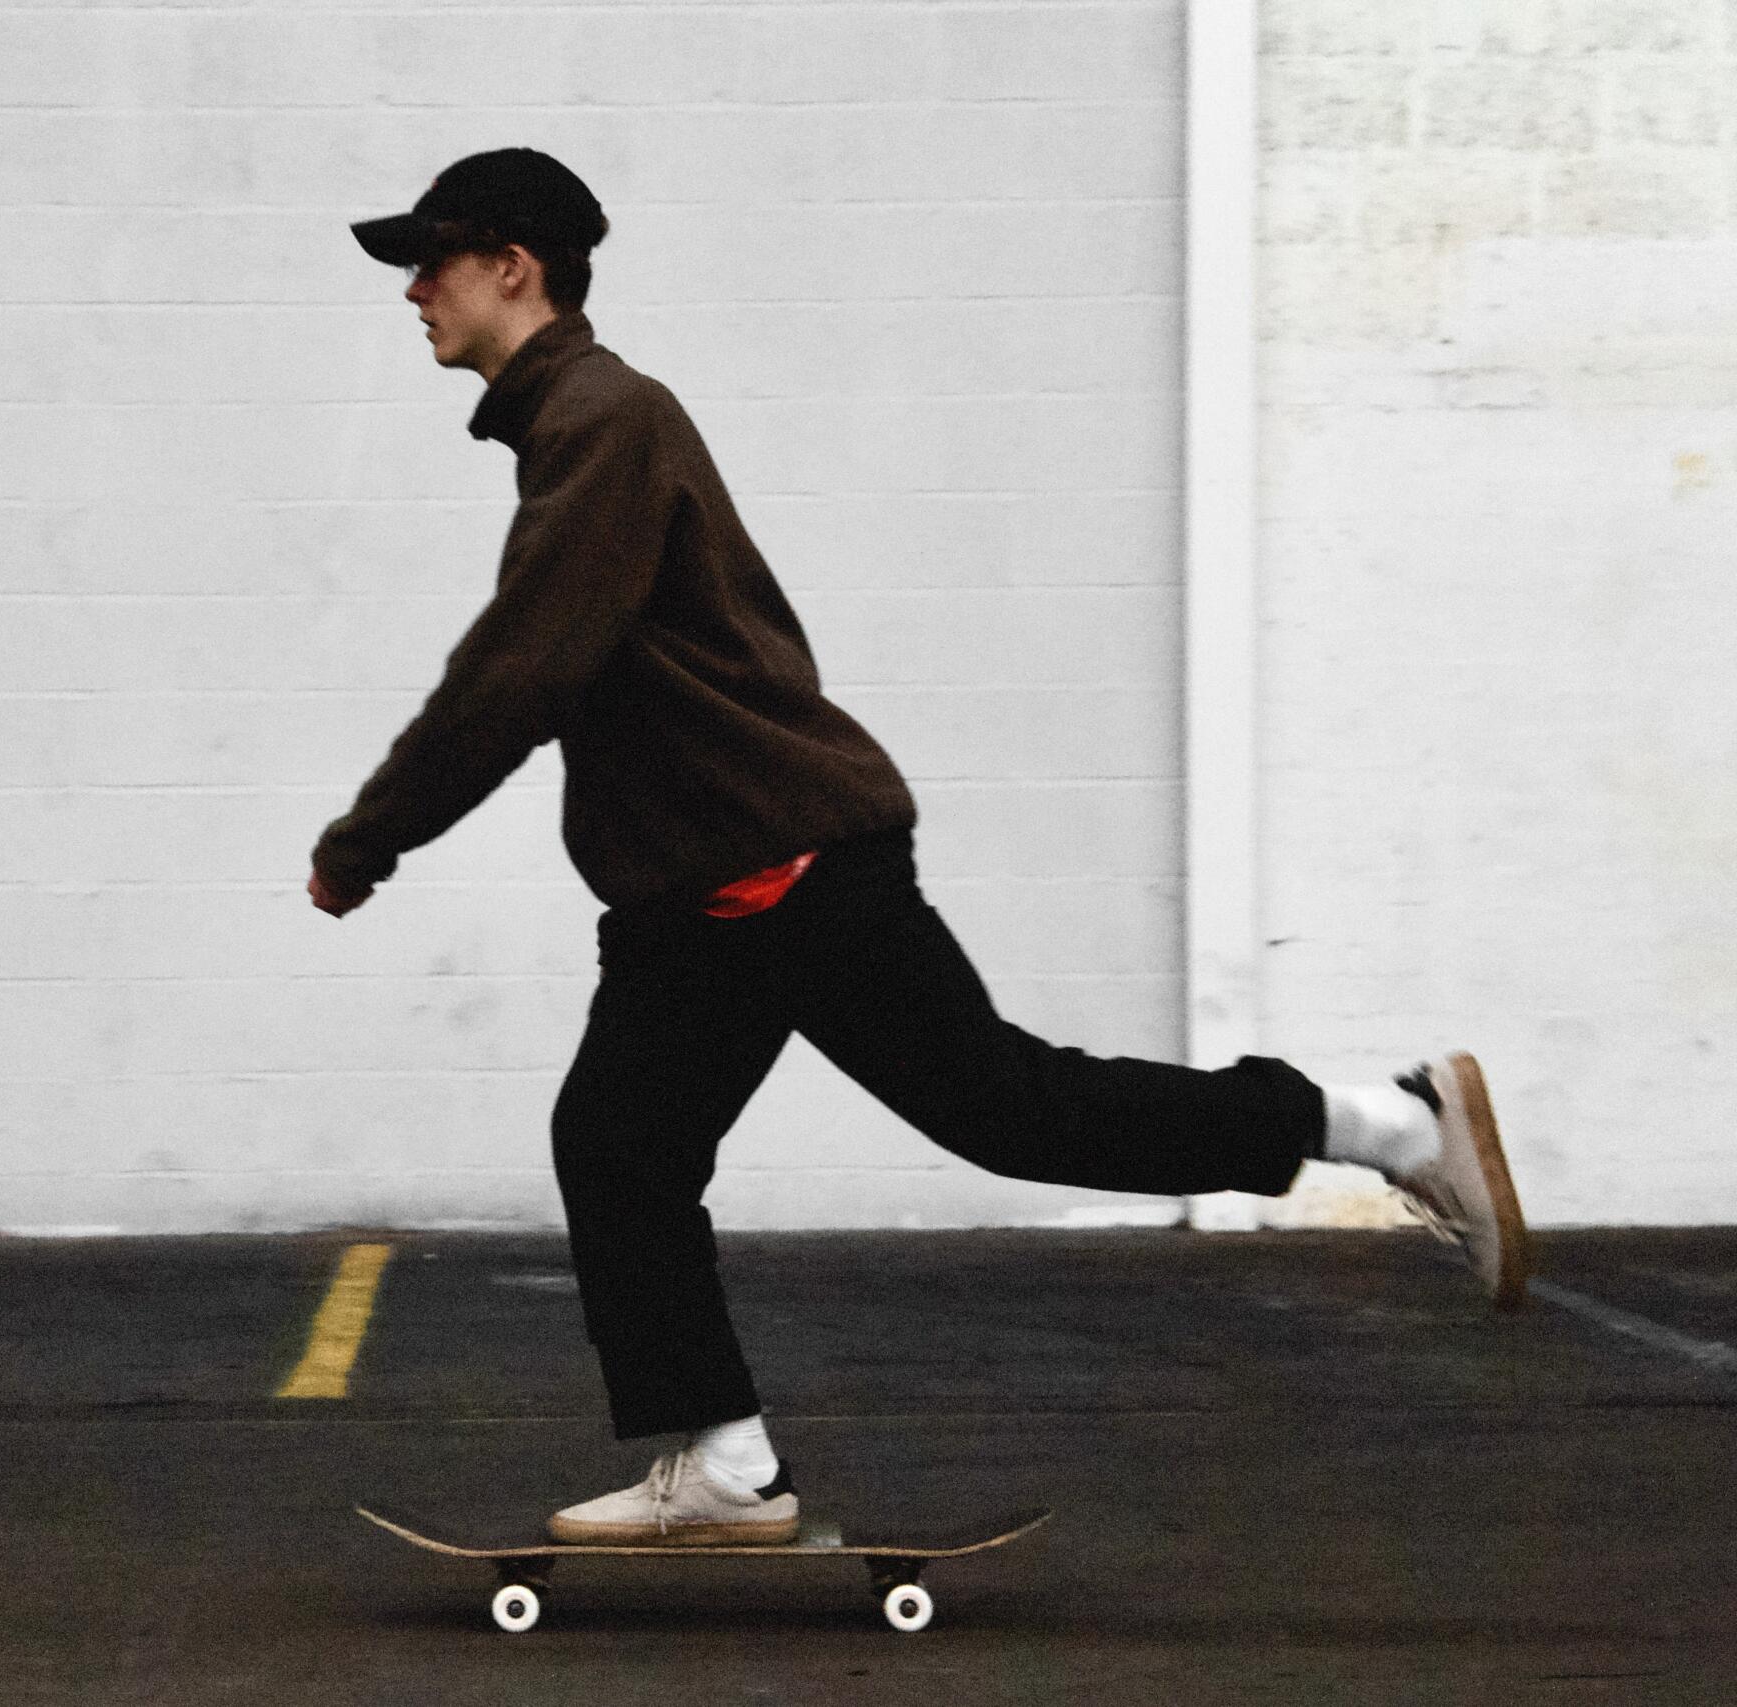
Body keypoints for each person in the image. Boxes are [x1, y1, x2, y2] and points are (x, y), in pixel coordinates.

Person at [305, 148, 1531, 1547]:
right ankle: (729, 1468)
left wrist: (369, 840)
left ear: (511, 266)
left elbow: (518, 674)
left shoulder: (605, 421)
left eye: (433, 260)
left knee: (1013, 1113)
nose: (413, 288)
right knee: (621, 1146)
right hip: (706, 893)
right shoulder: (572, 422)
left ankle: (1390, 1119)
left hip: (783, 873)